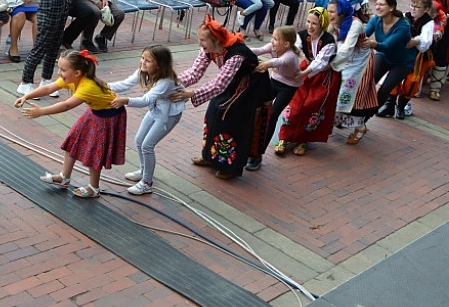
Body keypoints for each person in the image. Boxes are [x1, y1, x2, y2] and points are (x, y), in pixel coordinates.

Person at [170, 16, 273, 179]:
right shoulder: (207, 50)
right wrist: (171, 82)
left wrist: (191, 94)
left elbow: (219, 85)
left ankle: (228, 166)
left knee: (231, 119)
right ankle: (210, 157)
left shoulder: (236, 54)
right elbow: (195, 72)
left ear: (216, 40)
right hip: (232, 80)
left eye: (203, 40)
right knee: (213, 113)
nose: (199, 44)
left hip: (251, 85)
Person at [16, 50, 125, 199]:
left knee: (94, 151)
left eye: (63, 70)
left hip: (109, 116)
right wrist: (26, 95)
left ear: (77, 72)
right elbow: (49, 88)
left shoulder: (87, 87)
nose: (59, 73)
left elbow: (66, 105)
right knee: (72, 139)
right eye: (59, 68)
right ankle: (64, 177)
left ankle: (94, 188)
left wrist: (41, 111)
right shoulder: (72, 78)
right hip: (96, 111)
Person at [108, 46, 184, 194]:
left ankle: (147, 182)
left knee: (147, 146)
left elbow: (145, 99)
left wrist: (125, 100)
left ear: (159, 65)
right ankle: (143, 171)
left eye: (148, 60)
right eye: (142, 58)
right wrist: (104, 86)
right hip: (155, 110)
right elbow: (125, 84)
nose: (143, 62)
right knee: (139, 140)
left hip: (168, 116)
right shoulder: (143, 72)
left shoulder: (166, 82)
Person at [276, 7, 339, 156]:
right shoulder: (302, 35)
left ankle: (303, 139)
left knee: (312, 106)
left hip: (323, 75)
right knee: (295, 104)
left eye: (315, 23)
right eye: (308, 22)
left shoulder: (329, 41)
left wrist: (303, 73)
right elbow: (294, 51)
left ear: (322, 24)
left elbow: (320, 63)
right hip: (305, 70)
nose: (310, 26)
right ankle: (284, 138)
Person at [249, 26, 304, 170]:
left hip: (289, 86)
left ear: (286, 44)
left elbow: (278, 62)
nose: (272, 41)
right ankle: (251, 148)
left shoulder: (290, 55)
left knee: (272, 115)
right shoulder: (272, 47)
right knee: (259, 110)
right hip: (275, 80)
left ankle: (257, 155)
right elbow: (258, 50)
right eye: (272, 37)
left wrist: (266, 64)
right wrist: (240, 50)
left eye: (276, 39)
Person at [329, 0, 378, 144]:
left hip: (359, 62)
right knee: (334, 90)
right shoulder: (333, 24)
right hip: (343, 60)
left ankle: (360, 127)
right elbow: (327, 39)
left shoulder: (355, 24)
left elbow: (346, 48)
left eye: (332, 11)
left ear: (341, 13)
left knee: (351, 95)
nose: (328, 14)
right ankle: (332, 122)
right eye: (328, 10)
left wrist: (329, 63)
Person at [361, 0, 414, 121]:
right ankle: (354, 111)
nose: (378, 7)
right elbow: (363, 35)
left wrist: (373, 44)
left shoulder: (403, 25)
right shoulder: (375, 20)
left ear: (391, 8)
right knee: (367, 81)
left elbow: (387, 45)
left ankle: (365, 118)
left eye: (381, 4)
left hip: (403, 61)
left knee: (384, 89)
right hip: (384, 55)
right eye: (377, 4)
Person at [386, 0, 438, 118]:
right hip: (402, 53)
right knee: (394, 77)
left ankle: (401, 106)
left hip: (418, 56)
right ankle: (389, 105)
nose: (413, 9)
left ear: (426, 9)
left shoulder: (428, 23)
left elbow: (425, 42)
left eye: (417, 7)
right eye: (412, 5)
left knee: (412, 81)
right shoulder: (404, 17)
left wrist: (417, 40)